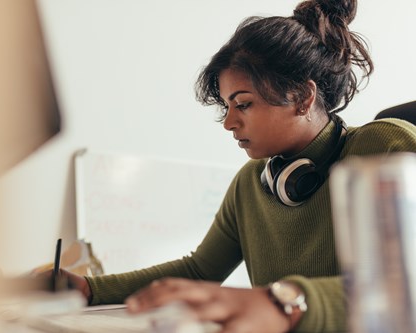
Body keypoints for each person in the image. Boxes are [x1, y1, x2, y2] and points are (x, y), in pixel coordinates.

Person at [51, 0, 416, 332]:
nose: (228, 122)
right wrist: (87, 288)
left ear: (303, 97)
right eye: (226, 106)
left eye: (243, 104)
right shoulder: (252, 183)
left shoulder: (384, 145)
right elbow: (199, 271)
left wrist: (283, 303)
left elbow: (406, 284)